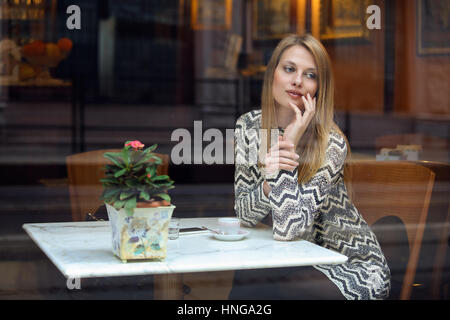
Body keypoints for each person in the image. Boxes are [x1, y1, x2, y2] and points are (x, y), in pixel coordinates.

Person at [230, 34, 391, 300]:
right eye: (289, 69)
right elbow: (244, 214)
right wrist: (270, 184)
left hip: (348, 266)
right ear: (273, 73)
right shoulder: (249, 126)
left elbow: (289, 229)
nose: (297, 81)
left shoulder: (330, 143)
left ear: (319, 88)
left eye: (310, 75)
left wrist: (288, 145)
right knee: (248, 274)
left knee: (258, 284)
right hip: (289, 260)